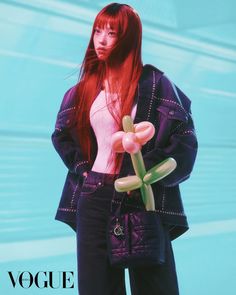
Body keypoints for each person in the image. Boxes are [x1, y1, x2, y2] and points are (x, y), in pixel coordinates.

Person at [51, 3, 198, 295]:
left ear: (128, 38)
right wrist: (83, 171)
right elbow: (61, 135)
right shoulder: (83, 90)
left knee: (156, 287)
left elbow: (185, 140)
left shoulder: (156, 85)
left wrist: (146, 172)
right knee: (96, 288)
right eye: (97, 31)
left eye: (112, 33)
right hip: (93, 195)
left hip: (140, 197)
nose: (101, 40)